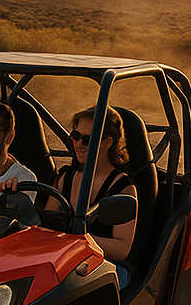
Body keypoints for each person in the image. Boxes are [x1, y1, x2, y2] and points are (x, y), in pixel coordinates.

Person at [48, 106, 138, 288]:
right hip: (63, 261)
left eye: (87, 140)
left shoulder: (123, 188)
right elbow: (46, 225)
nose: (79, 144)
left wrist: (76, 240)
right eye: (76, 136)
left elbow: (122, 249)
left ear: (107, 142)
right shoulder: (65, 178)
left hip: (107, 267)